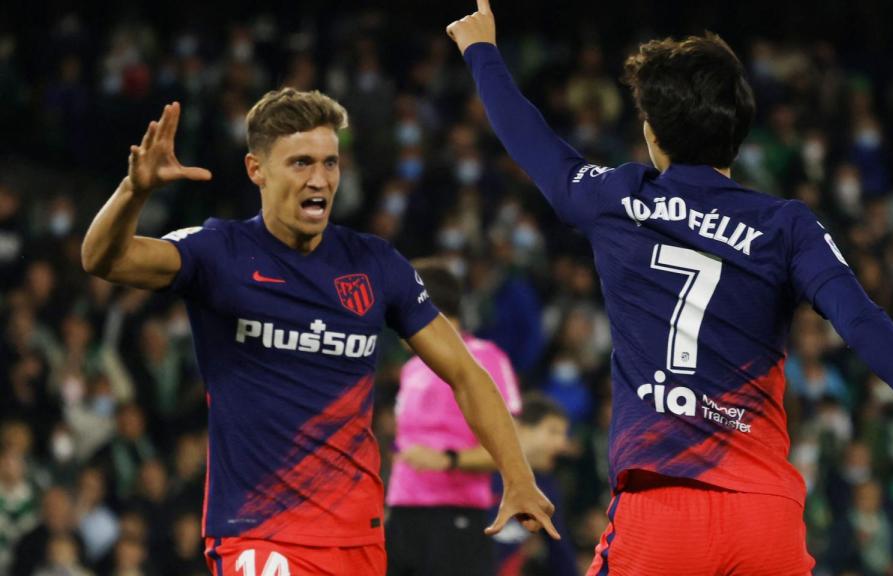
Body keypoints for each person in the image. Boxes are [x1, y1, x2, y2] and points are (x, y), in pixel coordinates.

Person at [445, 3, 893, 574]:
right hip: (765, 518)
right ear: (738, 133)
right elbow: (861, 321)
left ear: (652, 133)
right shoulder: (787, 225)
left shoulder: (618, 199)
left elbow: (532, 140)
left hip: (662, 510)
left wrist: (481, 51)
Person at [81, 90, 557, 576]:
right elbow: (104, 259)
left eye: (331, 163)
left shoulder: (374, 265)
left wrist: (516, 475)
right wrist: (133, 192)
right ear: (256, 169)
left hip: (357, 537)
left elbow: (465, 373)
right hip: (257, 531)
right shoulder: (218, 253)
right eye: (301, 163)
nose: (320, 180)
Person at [385, 259, 522, 576]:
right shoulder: (410, 368)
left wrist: (448, 459)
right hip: (403, 513)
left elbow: (513, 446)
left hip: (455, 514)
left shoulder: (486, 359)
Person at [491, 393, 576, 576]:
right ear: (520, 428)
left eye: (563, 435)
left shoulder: (546, 488)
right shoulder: (481, 475)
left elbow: (560, 554)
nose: (562, 443)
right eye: (553, 432)